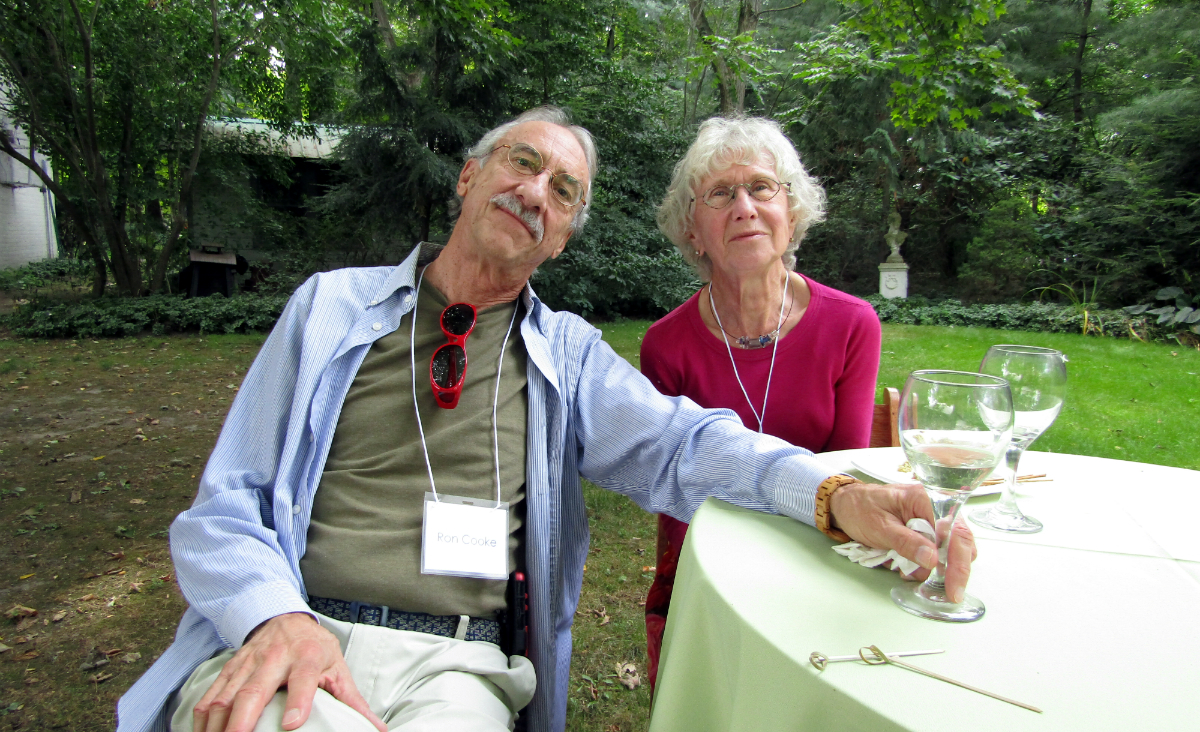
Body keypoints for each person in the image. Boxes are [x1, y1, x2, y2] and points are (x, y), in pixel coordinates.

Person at [117, 106, 975, 732]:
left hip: (456, 668)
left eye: (562, 191)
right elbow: (226, 505)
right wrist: (277, 620)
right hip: (295, 629)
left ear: (562, 235)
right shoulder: (330, 309)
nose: (534, 191)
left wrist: (835, 489)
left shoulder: (567, 356)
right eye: (520, 164)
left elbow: (686, 442)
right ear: (469, 178)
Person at [641, 116, 884, 690]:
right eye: (721, 194)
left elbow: (843, 472)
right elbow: (680, 497)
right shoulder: (667, 346)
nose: (744, 207)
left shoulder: (851, 325)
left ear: (792, 213)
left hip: (826, 557)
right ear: (693, 231)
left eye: (761, 188)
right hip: (712, 567)